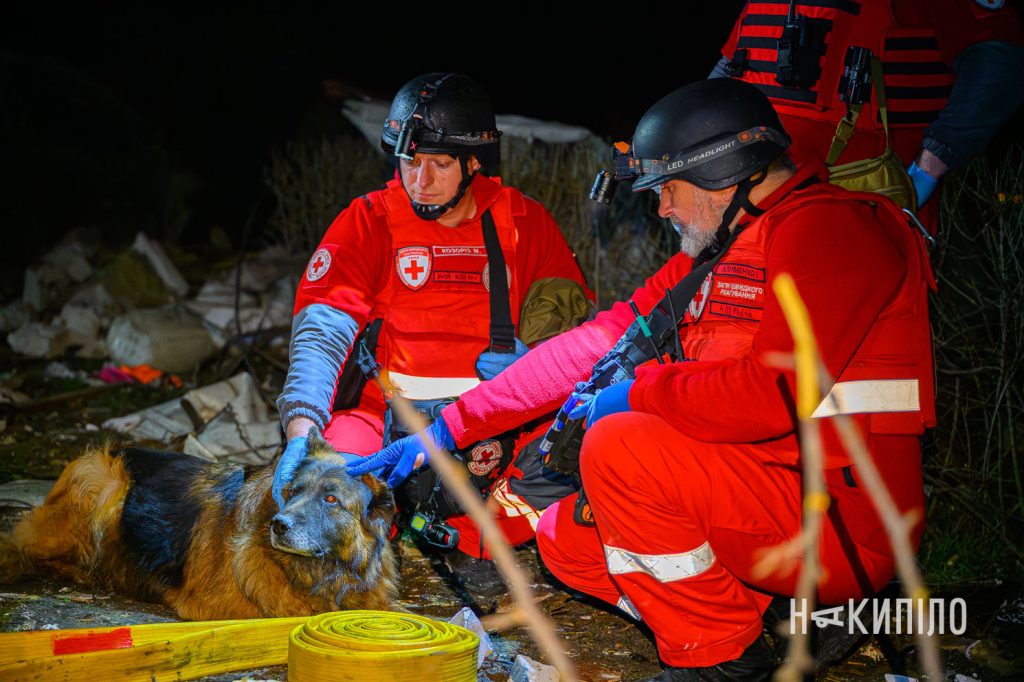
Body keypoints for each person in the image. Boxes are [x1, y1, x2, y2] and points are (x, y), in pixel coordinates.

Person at [353, 78, 935, 679]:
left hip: (842, 521)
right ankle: (756, 621)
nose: (662, 210)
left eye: (668, 191)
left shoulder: (834, 234)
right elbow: (593, 346)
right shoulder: (716, 256)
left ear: (721, 171)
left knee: (619, 445)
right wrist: (448, 427)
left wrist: (637, 394)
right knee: (564, 538)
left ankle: (721, 660)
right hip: (763, 493)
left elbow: (775, 394)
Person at [275, 73, 591, 593]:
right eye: (409, 161)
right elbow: (322, 328)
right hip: (385, 415)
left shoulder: (522, 221)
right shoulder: (370, 218)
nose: (420, 179)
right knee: (330, 473)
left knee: (562, 452)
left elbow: (571, 331)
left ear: (473, 164)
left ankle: (465, 538)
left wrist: (529, 362)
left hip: (487, 419)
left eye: (439, 164)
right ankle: (389, 521)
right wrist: (301, 423)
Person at [711, 0, 1024, 228]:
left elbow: (997, 66)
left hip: (867, 203)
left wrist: (928, 167)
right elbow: (729, 67)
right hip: (752, 204)